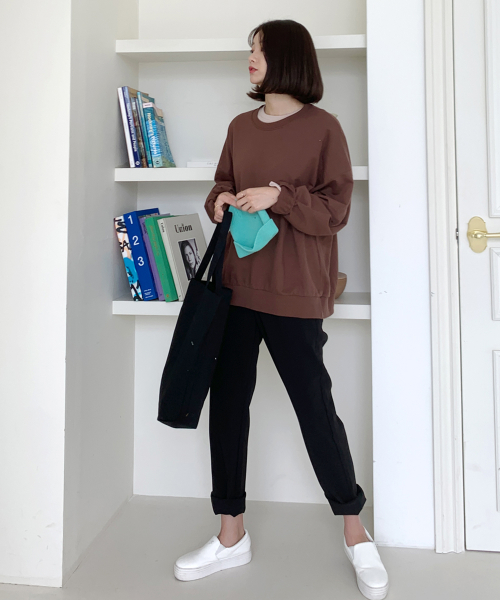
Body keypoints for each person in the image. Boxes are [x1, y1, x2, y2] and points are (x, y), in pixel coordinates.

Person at [174, 19, 389, 600]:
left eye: (261, 49)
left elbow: (335, 211)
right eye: (250, 48)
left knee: (314, 407)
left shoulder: (324, 128)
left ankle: (356, 533)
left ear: (289, 57)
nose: (251, 57)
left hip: (295, 291)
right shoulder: (240, 127)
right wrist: (221, 200)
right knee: (228, 407)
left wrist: (280, 196)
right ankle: (230, 534)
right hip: (236, 287)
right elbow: (219, 186)